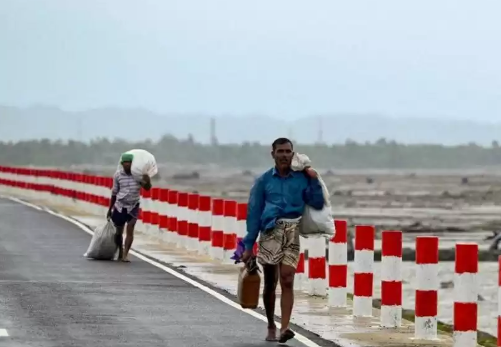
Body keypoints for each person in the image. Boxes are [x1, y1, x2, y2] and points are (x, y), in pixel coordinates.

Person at [241, 137, 324, 343]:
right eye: (281, 151)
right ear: (273, 154)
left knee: (287, 279)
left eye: (288, 151)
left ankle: (285, 327)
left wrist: (313, 179)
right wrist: (248, 245)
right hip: (270, 230)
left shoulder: (302, 178)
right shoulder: (263, 181)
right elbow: (253, 212)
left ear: (293, 154)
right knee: (270, 282)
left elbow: (317, 202)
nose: (285, 155)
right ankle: (271, 324)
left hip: (292, 230)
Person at [107, 152, 152, 262]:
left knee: (130, 228)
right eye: (125, 163)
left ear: (133, 164)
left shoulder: (138, 175)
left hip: (133, 206)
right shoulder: (118, 175)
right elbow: (114, 192)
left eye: (129, 163)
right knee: (118, 232)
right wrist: (110, 209)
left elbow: (147, 188)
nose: (127, 165)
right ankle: (120, 251)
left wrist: (147, 178)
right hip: (119, 206)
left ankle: (126, 254)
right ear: (122, 164)